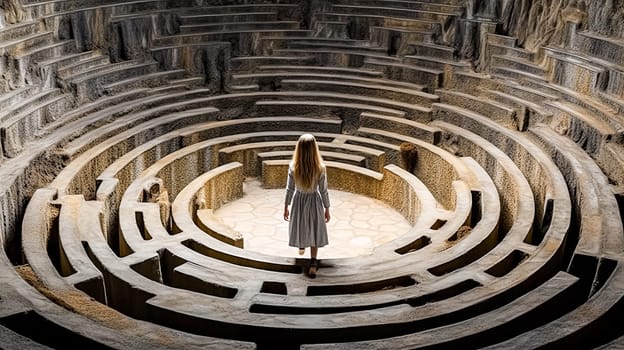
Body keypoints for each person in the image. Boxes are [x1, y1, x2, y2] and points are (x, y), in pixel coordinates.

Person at [283, 134, 331, 278]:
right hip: (314, 200)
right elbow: (323, 190)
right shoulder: (320, 168)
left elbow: (289, 188)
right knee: (314, 228)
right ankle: (313, 261)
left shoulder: (293, 167)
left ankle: (301, 244)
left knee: (300, 224)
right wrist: (327, 208)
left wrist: (286, 205)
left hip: (299, 199)